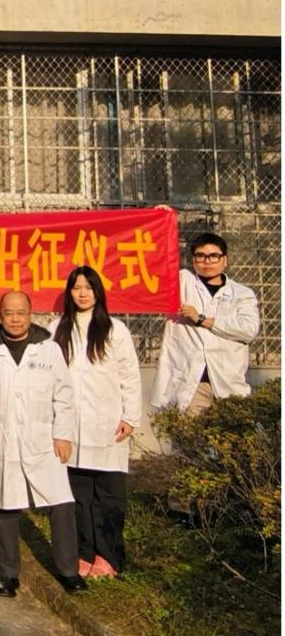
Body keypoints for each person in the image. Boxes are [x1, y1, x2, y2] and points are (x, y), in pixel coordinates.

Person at [0, 290, 86, 597]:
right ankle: (7, 574)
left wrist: (63, 434)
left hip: (44, 440)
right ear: (0, 315)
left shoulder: (49, 350)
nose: (15, 319)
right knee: (6, 508)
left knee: (61, 504)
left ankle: (68, 571)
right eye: (9, 313)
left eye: (21, 313)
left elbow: (64, 395)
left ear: (31, 314)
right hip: (3, 439)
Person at [50, 267, 141, 578]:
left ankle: (109, 556)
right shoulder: (57, 329)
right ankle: (84, 552)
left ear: (98, 291)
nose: (83, 293)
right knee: (78, 494)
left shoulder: (115, 330)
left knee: (108, 493)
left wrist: (130, 416)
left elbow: (130, 376)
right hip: (70, 426)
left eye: (88, 287)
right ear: (69, 293)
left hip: (107, 424)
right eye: (76, 288)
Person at [152, 232, 260, 414]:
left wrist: (202, 320)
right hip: (192, 384)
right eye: (200, 256)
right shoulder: (182, 282)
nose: (207, 261)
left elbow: (249, 330)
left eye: (213, 256)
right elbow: (154, 271)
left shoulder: (242, 294)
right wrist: (160, 230)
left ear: (225, 260)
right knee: (189, 431)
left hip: (228, 382)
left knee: (233, 431)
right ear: (193, 260)